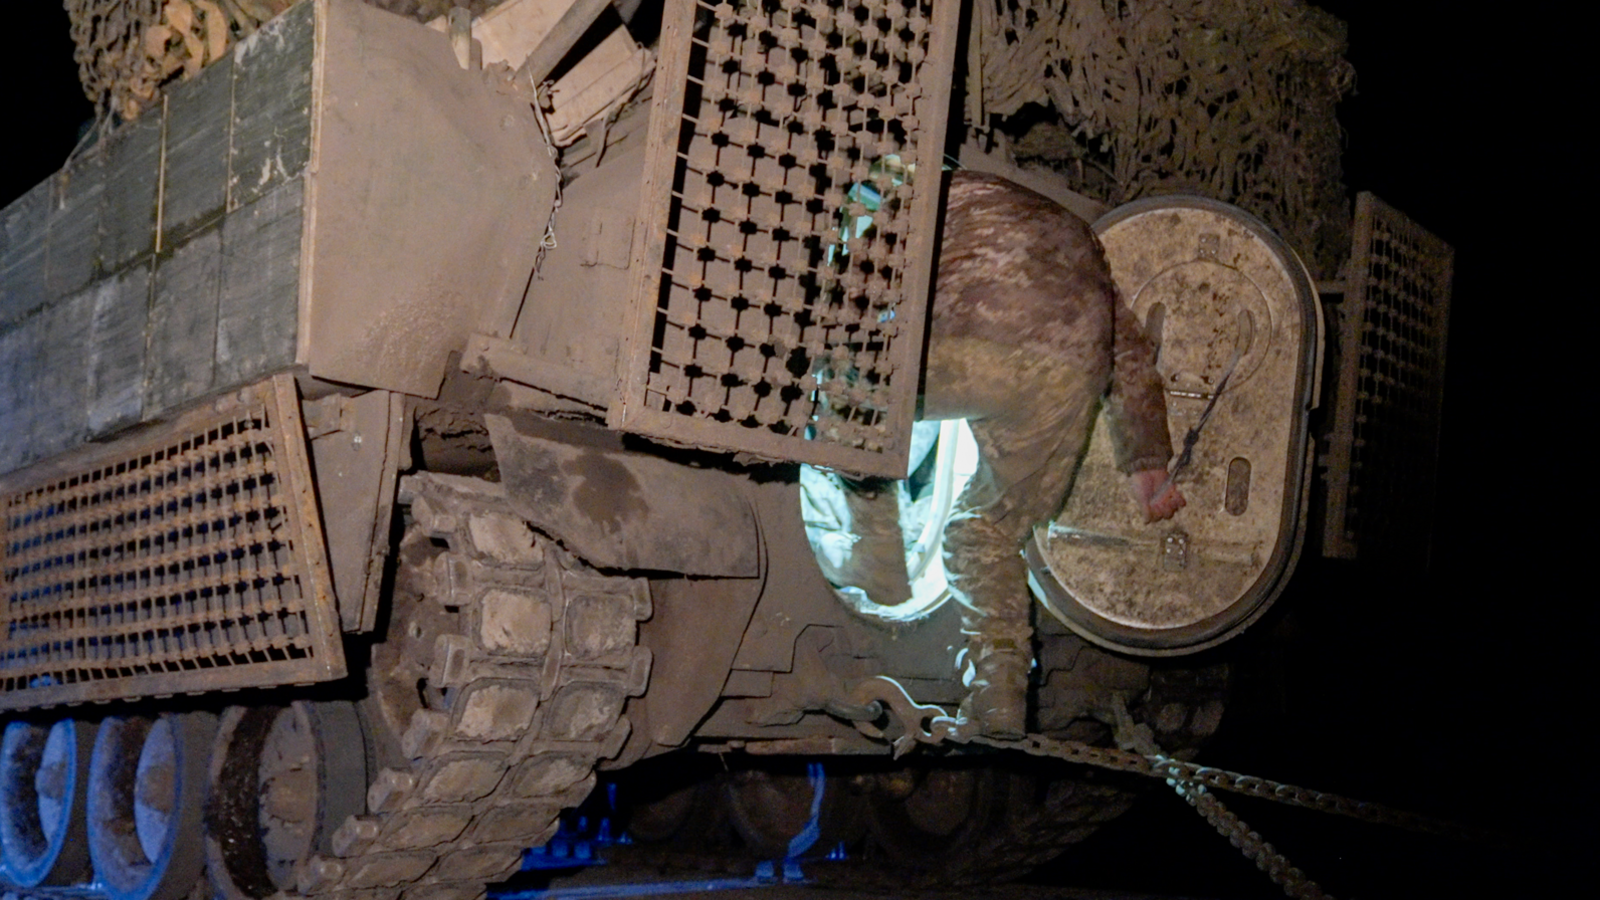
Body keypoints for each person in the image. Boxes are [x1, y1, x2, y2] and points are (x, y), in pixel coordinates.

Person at [831, 169, 1185, 738]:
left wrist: (849, 376)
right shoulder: (1077, 238)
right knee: (984, 530)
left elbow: (857, 297)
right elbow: (1132, 352)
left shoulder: (927, 194)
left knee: (846, 393)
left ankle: (876, 561)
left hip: (975, 333)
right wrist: (1147, 464)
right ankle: (997, 700)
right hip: (1071, 365)